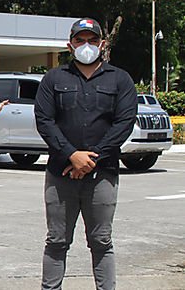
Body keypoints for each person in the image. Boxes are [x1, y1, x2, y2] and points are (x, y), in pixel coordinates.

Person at [35, 18, 137, 290]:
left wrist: (91, 158)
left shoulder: (120, 79)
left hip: (102, 174)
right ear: (70, 45)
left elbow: (124, 123)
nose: (86, 46)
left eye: (92, 40)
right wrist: (71, 154)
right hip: (60, 174)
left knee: (102, 241)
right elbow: (45, 121)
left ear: (102, 44)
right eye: (80, 40)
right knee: (56, 240)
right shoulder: (54, 78)